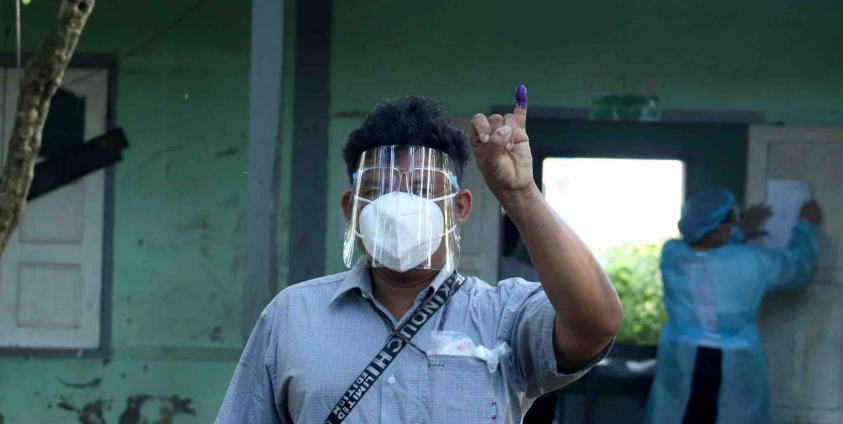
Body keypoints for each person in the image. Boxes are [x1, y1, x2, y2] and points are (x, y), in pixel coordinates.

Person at [215, 86, 623, 423]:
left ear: (459, 208)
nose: (398, 206)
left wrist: (520, 193)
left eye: (422, 190)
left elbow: (597, 324)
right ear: (352, 209)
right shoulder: (292, 316)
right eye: (377, 191)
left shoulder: (504, 315)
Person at [646, 188, 821, 424]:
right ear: (721, 230)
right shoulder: (751, 261)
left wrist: (740, 232)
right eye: (731, 222)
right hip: (731, 362)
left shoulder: (672, 255)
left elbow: (708, 253)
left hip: (682, 357)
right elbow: (798, 266)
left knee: (681, 415)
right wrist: (806, 226)